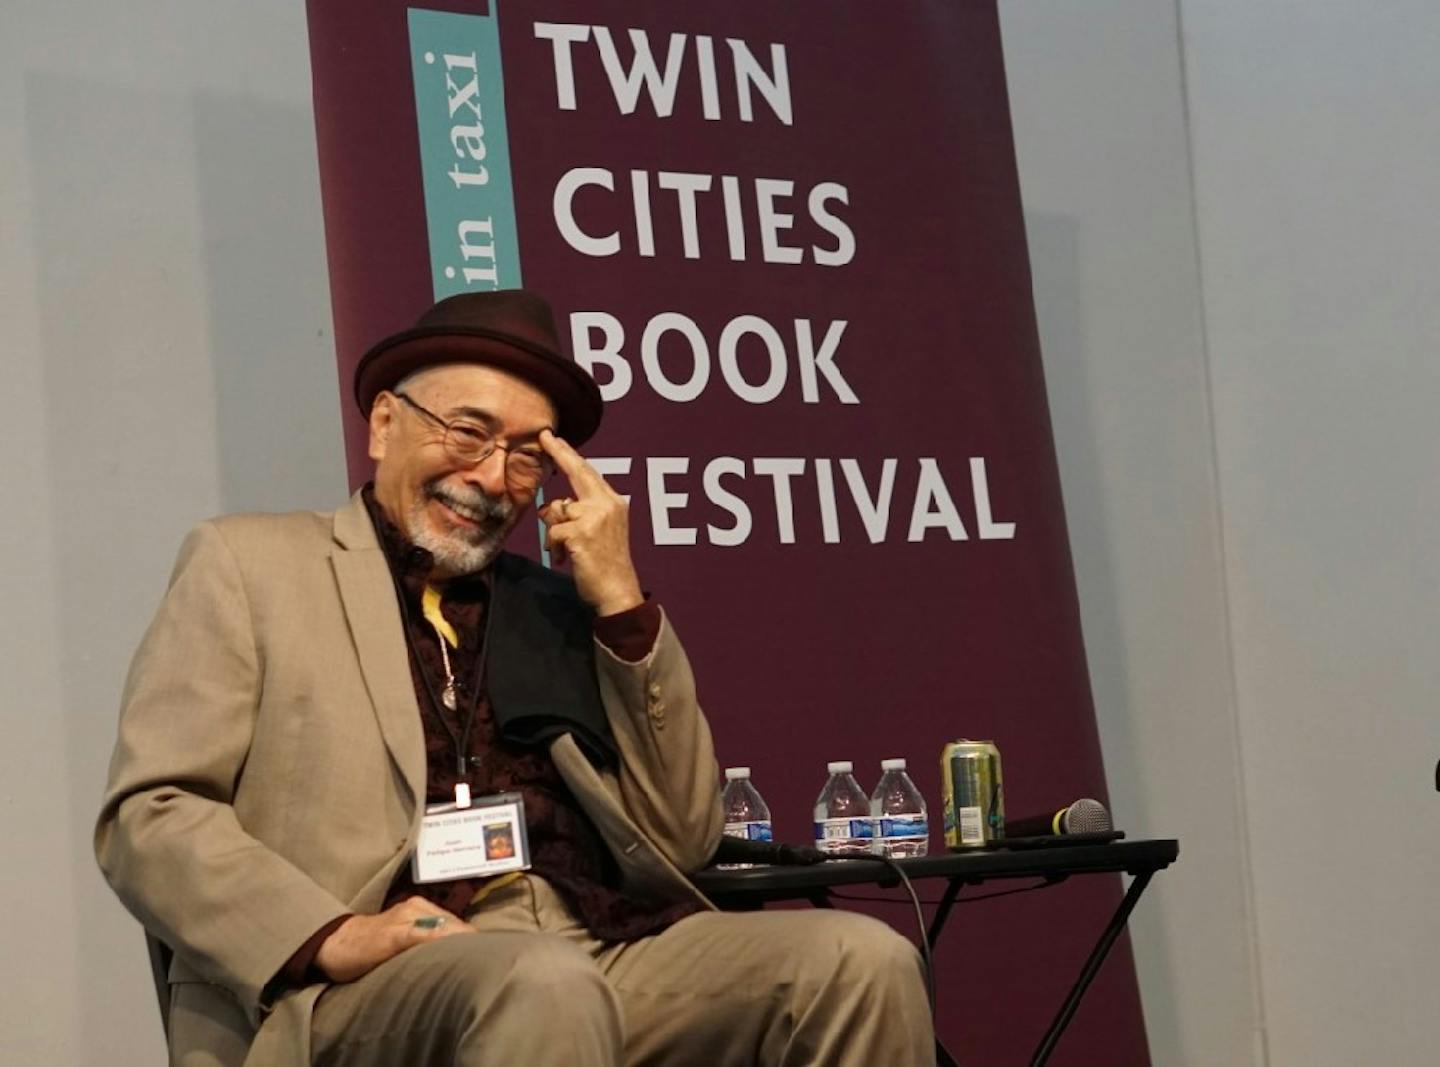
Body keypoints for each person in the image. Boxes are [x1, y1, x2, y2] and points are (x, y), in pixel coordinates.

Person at [96, 290, 935, 1067]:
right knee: (538, 982)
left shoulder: (554, 607)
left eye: (527, 457)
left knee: (860, 961)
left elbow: (682, 837)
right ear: (385, 423)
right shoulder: (253, 566)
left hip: (590, 943)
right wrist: (330, 931)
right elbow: (151, 812)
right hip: (367, 975)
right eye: (468, 432)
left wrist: (621, 609)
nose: (493, 478)